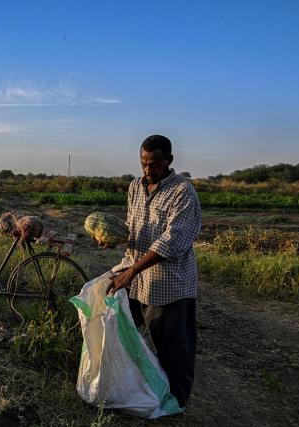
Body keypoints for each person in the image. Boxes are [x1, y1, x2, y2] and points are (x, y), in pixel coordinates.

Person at [107, 134, 202, 409]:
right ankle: (133, 385)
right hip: (134, 278)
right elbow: (132, 228)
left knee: (174, 349)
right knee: (119, 332)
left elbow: (172, 240)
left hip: (168, 286)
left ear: (169, 161)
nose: (148, 171)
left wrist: (133, 270)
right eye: (144, 164)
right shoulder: (135, 187)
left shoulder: (183, 192)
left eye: (155, 164)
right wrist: (111, 238)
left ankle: (176, 403)